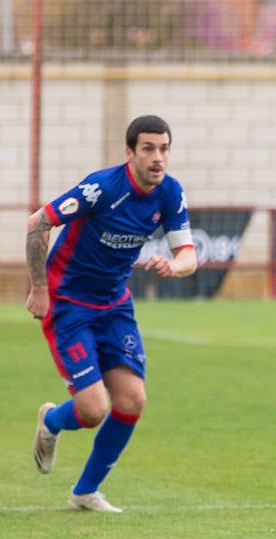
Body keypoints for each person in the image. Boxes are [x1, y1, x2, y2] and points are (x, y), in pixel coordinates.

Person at [26, 114, 196, 513]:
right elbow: (38, 222)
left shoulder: (170, 193)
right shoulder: (102, 188)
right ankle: (52, 423)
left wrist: (175, 266)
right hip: (68, 304)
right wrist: (38, 288)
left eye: (164, 148)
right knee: (92, 409)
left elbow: (188, 254)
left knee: (132, 399)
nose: (158, 157)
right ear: (130, 153)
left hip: (114, 304)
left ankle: (84, 492)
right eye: (149, 149)